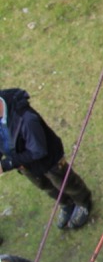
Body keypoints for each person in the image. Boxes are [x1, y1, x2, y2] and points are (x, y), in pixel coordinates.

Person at [0, 88, 93, 230]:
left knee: (65, 182)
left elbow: (38, 150)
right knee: (46, 186)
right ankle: (66, 204)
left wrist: (9, 163)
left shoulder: (25, 118)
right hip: (26, 165)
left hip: (49, 161)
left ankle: (83, 203)